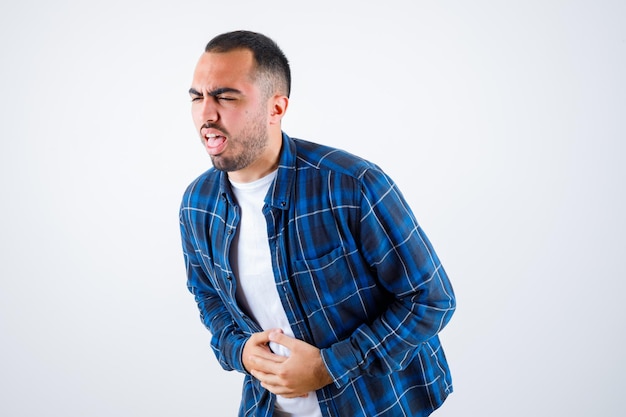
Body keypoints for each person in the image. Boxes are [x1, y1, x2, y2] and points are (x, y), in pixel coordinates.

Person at [179, 30, 456, 417]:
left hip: (376, 406)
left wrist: (329, 366)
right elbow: (207, 295)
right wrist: (238, 350)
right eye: (197, 97)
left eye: (225, 97)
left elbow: (431, 300)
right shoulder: (198, 205)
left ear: (276, 108)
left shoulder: (350, 185)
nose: (207, 113)